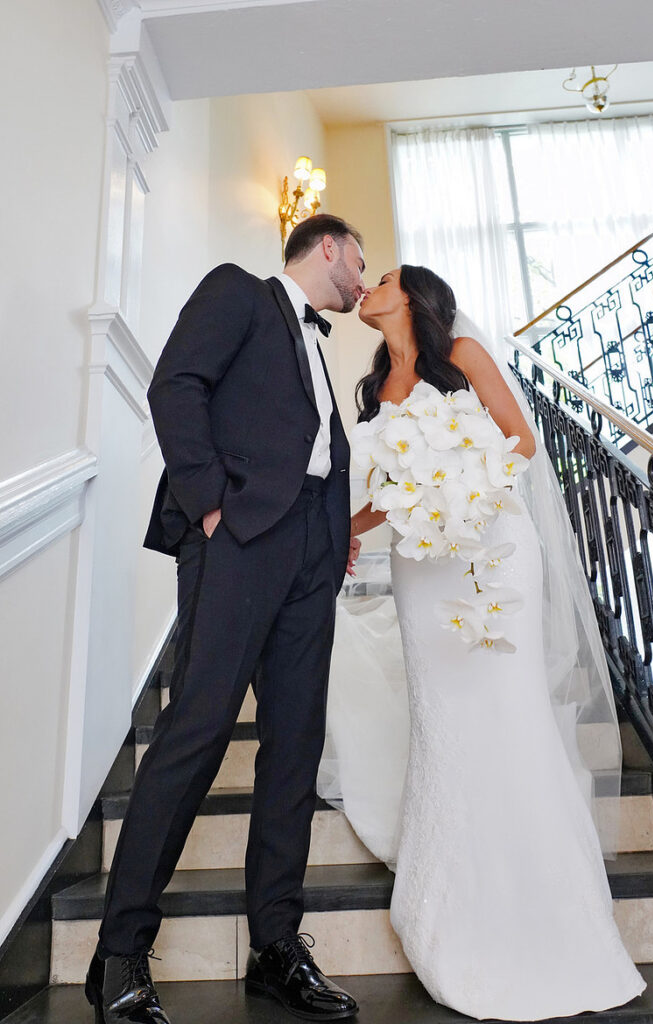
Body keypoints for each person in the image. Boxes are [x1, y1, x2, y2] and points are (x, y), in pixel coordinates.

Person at [324, 265, 646, 1021]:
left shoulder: (462, 358)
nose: (367, 287)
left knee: (507, 713)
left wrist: (451, 483)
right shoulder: (374, 388)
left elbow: (523, 443)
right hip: (419, 563)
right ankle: (452, 902)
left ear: (413, 297)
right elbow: (386, 485)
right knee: (445, 722)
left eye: (383, 280)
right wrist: (352, 530)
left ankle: (546, 913)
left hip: (488, 547)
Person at [85, 215, 365, 1024]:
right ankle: (120, 954)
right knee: (197, 732)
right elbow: (175, 384)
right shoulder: (239, 292)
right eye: (359, 257)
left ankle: (276, 946)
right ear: (328, 246)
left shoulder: (319, 342)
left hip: (314, 547)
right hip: (241, 535)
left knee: (295, 744)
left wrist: (334, 537)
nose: (363, 273)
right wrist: (210, 506)